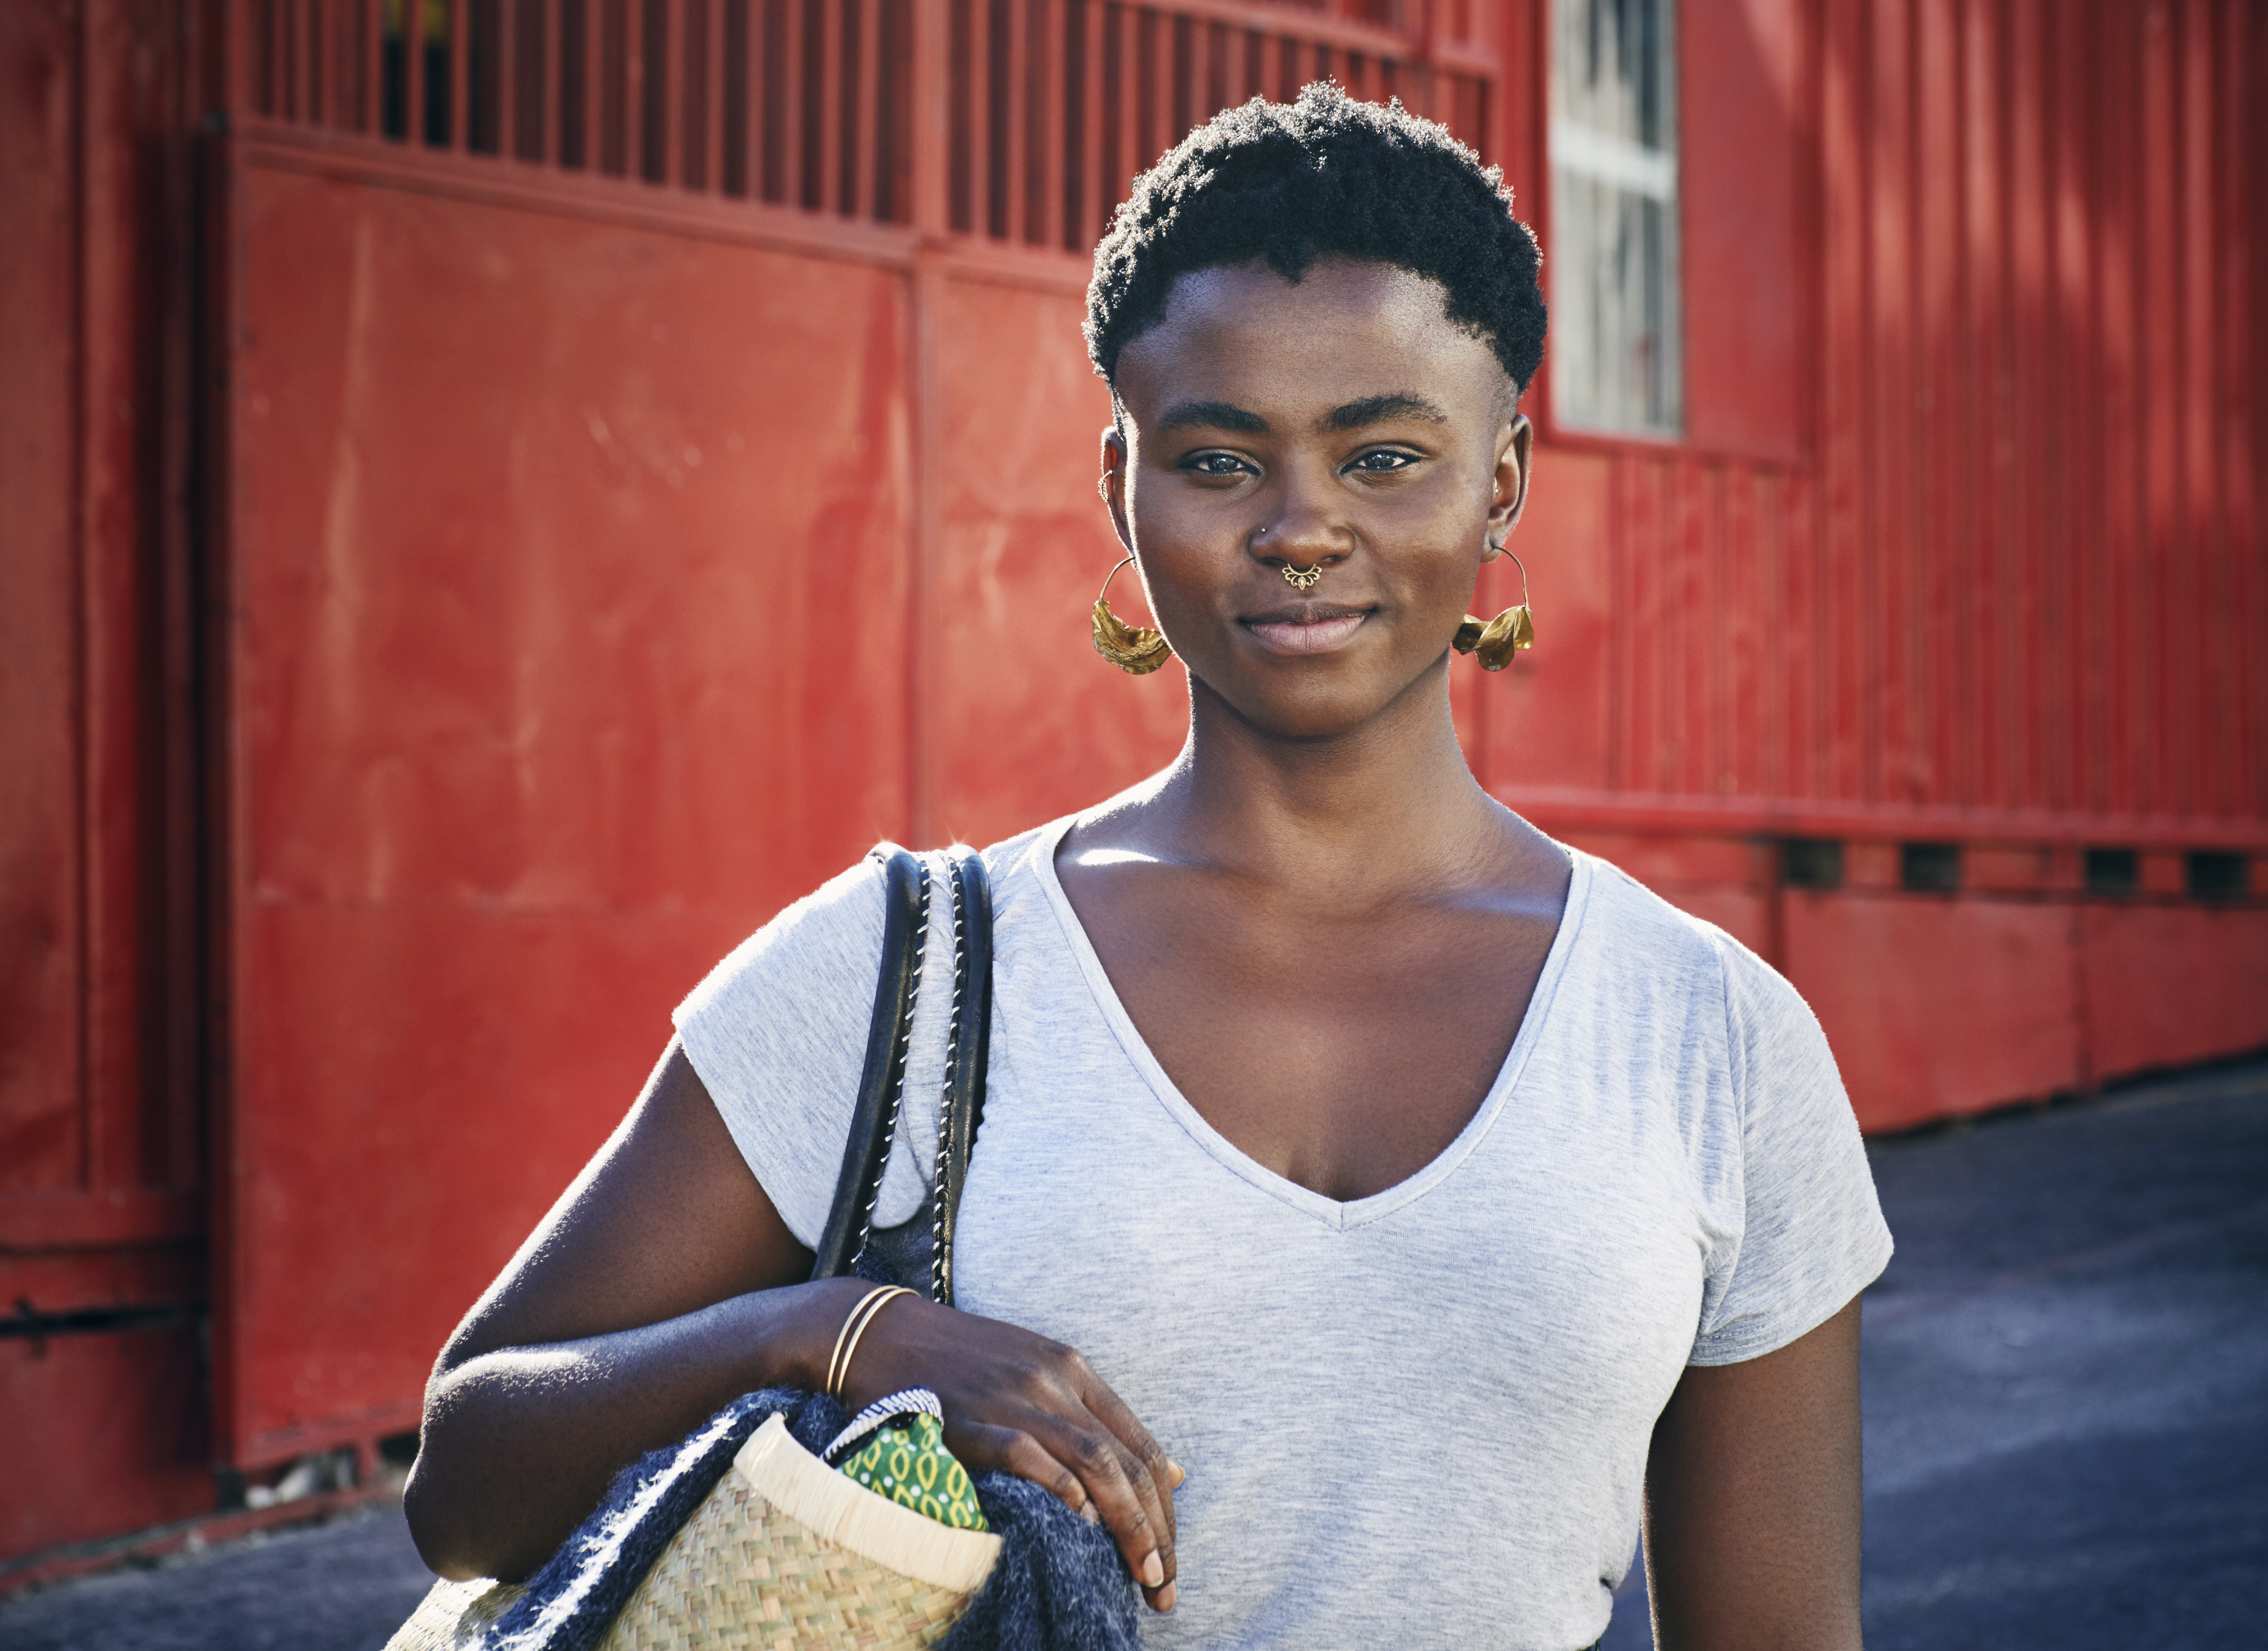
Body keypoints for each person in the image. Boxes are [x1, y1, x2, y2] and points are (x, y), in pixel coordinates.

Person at [402, 85, 1891, 1650]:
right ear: (1123, 481)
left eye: (1384, 457)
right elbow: (465, 1478)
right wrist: (839, 1335)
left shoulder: (1713, 1039)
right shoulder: (909, 974)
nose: (1303, 527)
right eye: (1221, 460)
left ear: (1503, 481)